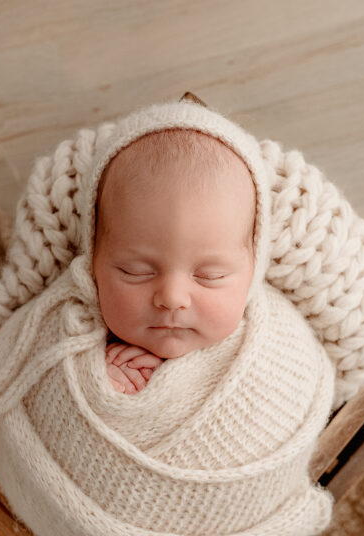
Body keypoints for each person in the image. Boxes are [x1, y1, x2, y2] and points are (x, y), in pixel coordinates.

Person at [91, 128, 258, 394]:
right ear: (93, 265)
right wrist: (97, 387)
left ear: (253, 273)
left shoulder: (273, 346)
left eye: (210, 275)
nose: (172, 298)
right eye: (136, 272)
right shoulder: (67, 334)